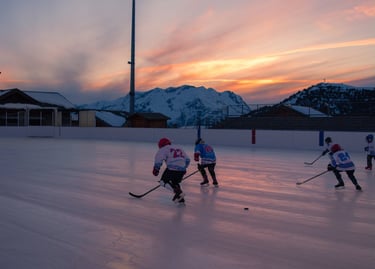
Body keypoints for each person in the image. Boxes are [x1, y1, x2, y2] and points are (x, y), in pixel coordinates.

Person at [153, 137, 190, 204]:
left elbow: (158, 160)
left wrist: (156, 169)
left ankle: (177, 192)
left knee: (163, 181)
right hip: (182, 169)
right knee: (175, 183)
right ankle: (181, 199)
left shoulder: (163, 149)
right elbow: (187, 160)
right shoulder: (179, 148)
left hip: (172, 168)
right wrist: (184, 168)